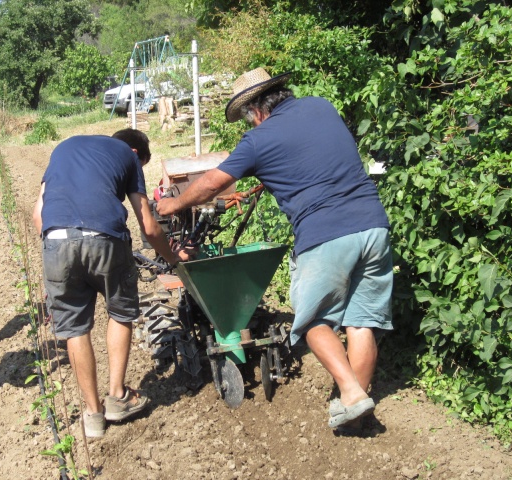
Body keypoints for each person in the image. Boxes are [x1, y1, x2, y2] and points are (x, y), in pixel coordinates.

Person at [156, 68, 393, 431]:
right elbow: (314, 156)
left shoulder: (258, 139)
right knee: (361, 322)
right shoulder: (321, 107)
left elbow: (210, 185)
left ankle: (351, 392)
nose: (250, 125)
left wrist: (173, 206)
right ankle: (353, 413)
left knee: (312, 320)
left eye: (248, 119)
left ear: (255, 111)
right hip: (374, 225)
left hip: (325, 233)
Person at [32, 129, 192, 438]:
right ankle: (117, 396)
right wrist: (172, 257)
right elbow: (148, 224)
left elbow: (38, 212)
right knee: (120, 312)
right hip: (105, 237)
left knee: (76, 328)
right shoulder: (129, 157)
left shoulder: (64, 148)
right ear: (136, 152)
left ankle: (93, 416)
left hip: (54, 240)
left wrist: (58, 252)